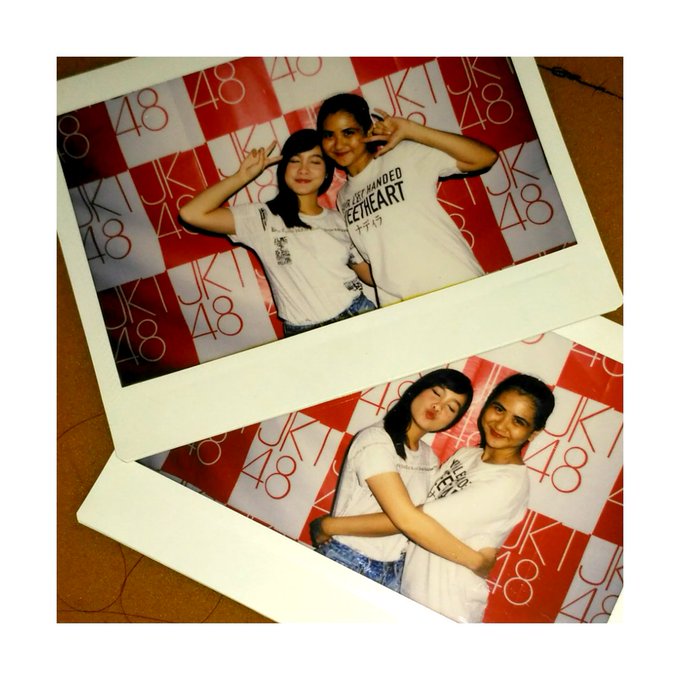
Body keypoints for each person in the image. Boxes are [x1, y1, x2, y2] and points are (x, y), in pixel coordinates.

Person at [312, 373, 555, 622]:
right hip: (401, 586)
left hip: (447, 606)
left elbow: (411, 519)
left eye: (518, 421)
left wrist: (330, 525)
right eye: (499, 409)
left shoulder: (507, 483)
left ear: (533, 433)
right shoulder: (465, 456)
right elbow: (414, 514)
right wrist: (476, 560)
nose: (501, 424)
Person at [312, 368, 497, 592]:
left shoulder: (430, 458)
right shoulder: (376, 440)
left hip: (395, 571)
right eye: (436, 393)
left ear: (453, 420)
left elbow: (426, 517)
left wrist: (328, 525)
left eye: (451, 407)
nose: (438, 406)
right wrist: (474, 560)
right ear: (417, 390)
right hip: (347, 559)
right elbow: (407, 518)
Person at [179, 129, 376, 337]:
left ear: (327, 171)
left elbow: (370, 275)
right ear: (283, 169)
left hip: (357, 314)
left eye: (315, 162)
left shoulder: (340, 220)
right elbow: (191, 214)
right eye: (295, 160)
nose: (303, 169)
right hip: (303, 333)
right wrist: (242, 176)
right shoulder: (263, 217)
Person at [316, 93, 498, 307]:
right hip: (402, 307)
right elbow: (376, 270)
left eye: (348, 132)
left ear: (368, 130)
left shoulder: (403, 155)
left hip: (456, 285)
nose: (338, 144)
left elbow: (485, 157)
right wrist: (341, 254)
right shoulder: (343, 197)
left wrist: (412, 130)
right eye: (329, 135)